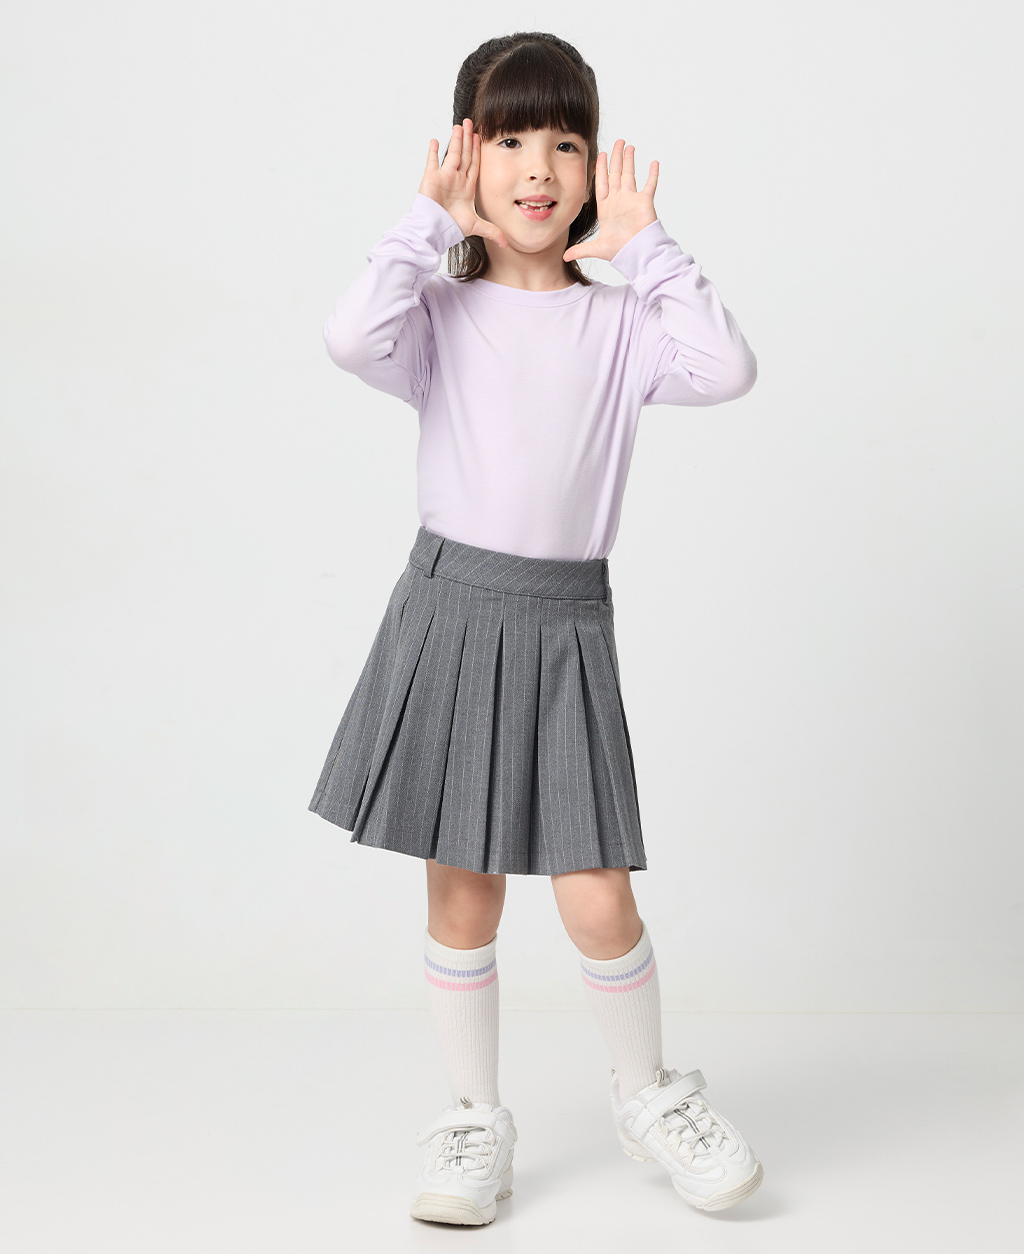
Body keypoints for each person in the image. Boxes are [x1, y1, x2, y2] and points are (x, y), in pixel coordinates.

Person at [308, 31, 762, 1226]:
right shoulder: (436, 312)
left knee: (596, 893)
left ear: (591, 166)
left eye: (565, 141)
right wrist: (424, 219)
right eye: (508, 139)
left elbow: (726, 369)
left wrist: (648, 248)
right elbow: (349, 336)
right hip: (451, 609)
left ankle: (647, 1095)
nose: (538, 167)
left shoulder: (621, 325)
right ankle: (472, 1119)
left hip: (565, 627)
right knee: (462, 891)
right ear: (469, 155)